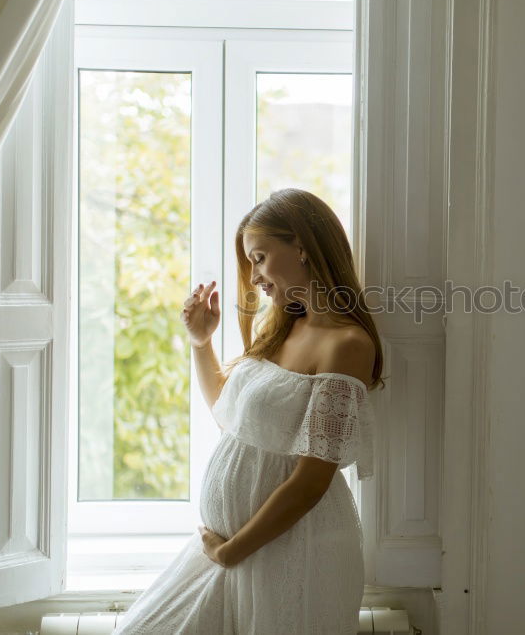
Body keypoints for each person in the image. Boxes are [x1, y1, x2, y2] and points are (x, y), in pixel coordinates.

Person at [111, 188, 384, 634]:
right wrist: (202, 341)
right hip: (232, 550)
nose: (254, 275)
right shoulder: (285, 326)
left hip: (293, 549)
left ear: (301, 246)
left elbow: (313, 479)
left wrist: (232, 551)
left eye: (259, 257)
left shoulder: (347, 345)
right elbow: (229, 414)